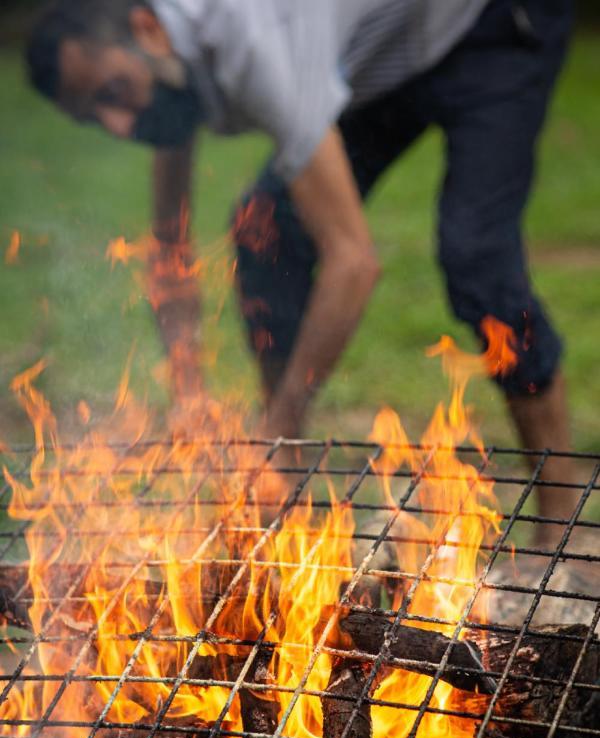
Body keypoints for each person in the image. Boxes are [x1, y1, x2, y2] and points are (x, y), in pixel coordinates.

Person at [26, 0, 577, 545]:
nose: (119, 126)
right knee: (264, 231)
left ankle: (563, 528)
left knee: (476, 255)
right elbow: (170, 248)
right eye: (92, 116)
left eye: (111, 95)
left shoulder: (253, 44)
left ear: (146, 29)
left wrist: (281, 423)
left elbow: (354, 263)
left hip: (492, 23)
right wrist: (188, 392)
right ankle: (283, 482)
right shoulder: (167, 65)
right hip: (391, 51)